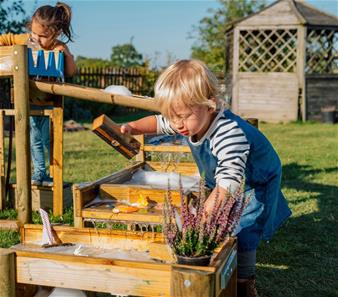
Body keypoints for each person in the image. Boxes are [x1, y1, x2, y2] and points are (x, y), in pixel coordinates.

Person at [120, 59, 292, 297]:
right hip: (224, 177)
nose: (177, 124)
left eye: (182, 116)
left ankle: (244, 280)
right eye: (171, 116)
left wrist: (205, 216)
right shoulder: (185, 120)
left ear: (209, 105)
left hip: (256, 179)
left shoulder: (229, 133)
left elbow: (230, 183)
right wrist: (134, 127)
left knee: (245, 226)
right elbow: (159, 123)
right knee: (218, 218)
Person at [0, 2, 76, 186]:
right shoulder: (26, 40)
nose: (36, 39)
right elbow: (5, 38)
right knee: (34, 140)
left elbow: (71, 72)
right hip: (29, 101)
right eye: (34, 33)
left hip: (51, 103)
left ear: (55, 33)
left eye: (42, 36)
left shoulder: (58, 48)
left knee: (50, 140)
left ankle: (52, 175)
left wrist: (66, 54)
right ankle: (39, 174)